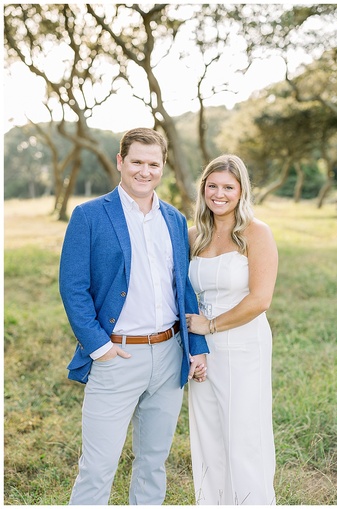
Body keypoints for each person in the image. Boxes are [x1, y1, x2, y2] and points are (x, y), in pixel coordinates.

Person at [59, 127, 209, 505]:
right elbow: (72, 288)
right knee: (97, 467)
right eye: (137, 162)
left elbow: (184, 287)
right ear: (121, 162)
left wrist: (197, 346)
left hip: (170, 353)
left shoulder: (175, 220)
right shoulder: (89, 216)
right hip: (117, 357)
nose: (145, 171)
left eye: (154, 164)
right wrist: (100, 348)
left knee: (153, 463)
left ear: (163, 167)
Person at [185, 154, 278, 505]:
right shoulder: (193, 235)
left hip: (243, 345)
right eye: (212, 186)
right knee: (208, 434)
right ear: (203, 190)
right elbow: (183, 294)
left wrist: (211, 325)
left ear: (241, 192)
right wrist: (196, 342)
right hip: (203, 351)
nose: (219, 194)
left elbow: (260, 299)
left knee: (243, 436)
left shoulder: (256, 233)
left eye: (228, 187)